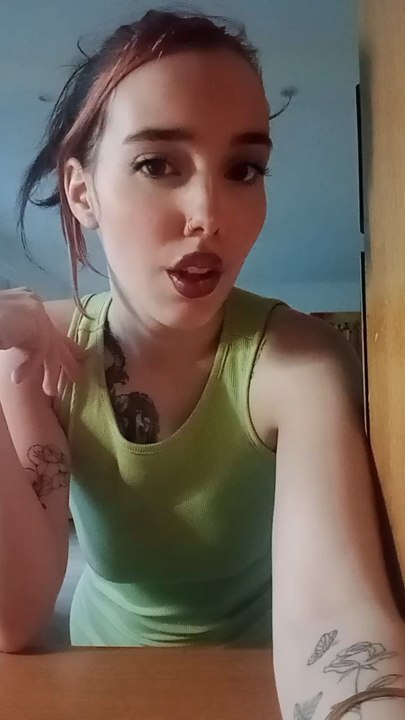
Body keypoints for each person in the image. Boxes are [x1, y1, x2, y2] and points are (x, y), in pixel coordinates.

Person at [1, 8, 404, 718]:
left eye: (243, 169)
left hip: (259, 680)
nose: (209, 213)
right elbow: (16, 617)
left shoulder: (296, 363)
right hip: (101, 678)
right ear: (82, 191)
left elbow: (339, 617)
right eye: (157, 164)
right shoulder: (47, 354)